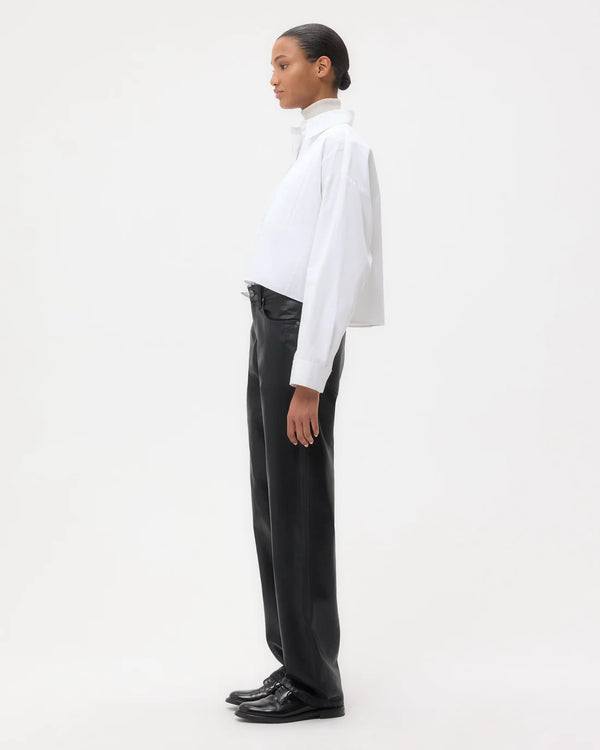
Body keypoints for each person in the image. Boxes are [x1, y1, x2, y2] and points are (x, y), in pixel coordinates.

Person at [227, 22, 385, 723]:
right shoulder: (314, 147)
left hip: (297, 334)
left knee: (298, 506)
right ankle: (295, 662)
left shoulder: (342, 149)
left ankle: (317, 684)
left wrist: (308, 378)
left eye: (283, 63)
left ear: (323, 68)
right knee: (272, 501)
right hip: (271, 326)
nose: (273, 77)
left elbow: (337, 266)